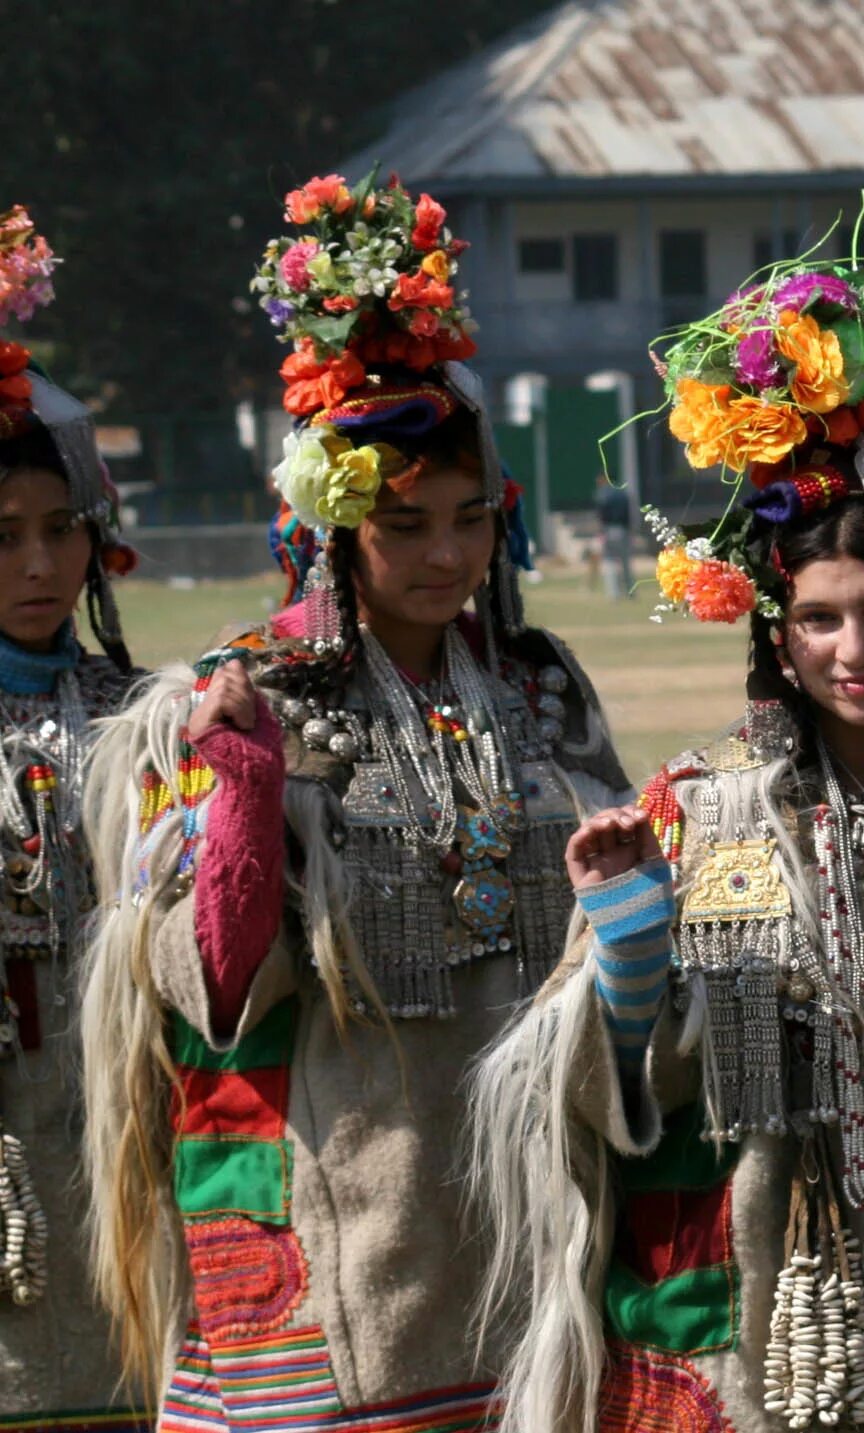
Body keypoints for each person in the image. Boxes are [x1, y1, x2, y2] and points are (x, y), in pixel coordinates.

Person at [469, 251, 864, 1433]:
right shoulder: (698, 807)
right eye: (818, 617)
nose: (855, 649)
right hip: (776, 1289)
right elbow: (594, 1092)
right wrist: (631, 943)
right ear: (776, 633)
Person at [79, 176, 630, 1426]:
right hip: (353, 1225)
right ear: (333, 533)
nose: (447, 555)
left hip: (540, 1220)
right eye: (403, 524)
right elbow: (209, 990)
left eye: (470, 519)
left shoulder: (538, 683)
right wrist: (248, 791)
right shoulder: (232, 697)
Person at [0, 205, 148, 1429]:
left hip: (136, 1165)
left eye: (61, 530)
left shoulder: (142, 715)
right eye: (1, 537)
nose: (40, 565)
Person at [595, 472, 633, 599]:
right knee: (625, 563)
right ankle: (630, 590)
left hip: (608, 529)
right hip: (623, 529)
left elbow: (601, 514)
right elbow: (628, 514)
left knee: (610, 562)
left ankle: (614, 593)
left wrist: (600, 531)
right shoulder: (623, 493)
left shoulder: (603, 494)